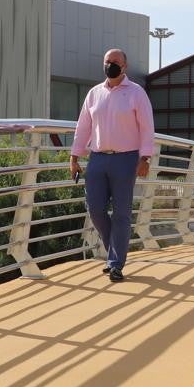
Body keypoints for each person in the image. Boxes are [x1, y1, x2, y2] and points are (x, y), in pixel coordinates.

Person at [70, 49, 155, 282]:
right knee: (95, 208)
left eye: (116, 62)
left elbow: (147, 127)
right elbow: (83, 127)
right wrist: (74, 157)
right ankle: (113, 254)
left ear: (125, 66)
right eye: (108, 62)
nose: (111, 65)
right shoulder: (94, 93)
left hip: (126, 159)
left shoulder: (136, 93)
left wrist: (145, 158)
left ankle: (116, 263)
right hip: (97, 158)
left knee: (121, 213)